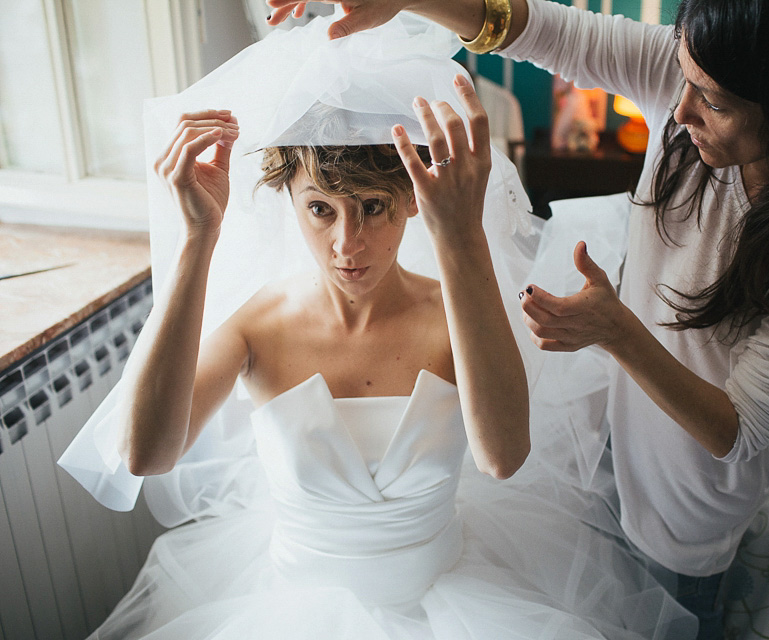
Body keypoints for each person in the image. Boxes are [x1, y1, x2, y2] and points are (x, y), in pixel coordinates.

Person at [266, 1, 769, 637]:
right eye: (685, 80)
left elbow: (739, 431)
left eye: (715, 102)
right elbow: (542, 30)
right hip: (612, 434)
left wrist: (616, 332)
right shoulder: (690, 77)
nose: (679, 108)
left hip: (689, 499)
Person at [58, 11, 696, 640]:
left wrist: (463, 235)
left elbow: (503, 458)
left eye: (371, 207)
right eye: (318, 209)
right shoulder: (256, 326)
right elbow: (146, 454)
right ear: (288, 201)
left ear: (412, 198)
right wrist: (197, 238)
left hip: (456, 608)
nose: (346, 243)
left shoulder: (458, 313)